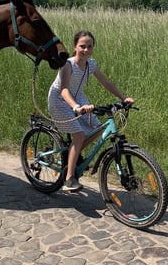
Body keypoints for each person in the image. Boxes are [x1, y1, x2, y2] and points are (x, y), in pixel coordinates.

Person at [47, 30, 134, 192]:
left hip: (78, 97)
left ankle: (74, 152)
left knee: (98, 128)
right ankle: (69, 178)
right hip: (59, 100)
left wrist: (123, 98)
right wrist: (76, 107)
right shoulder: (68, 65)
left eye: (89, 46)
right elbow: (64, 90)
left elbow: (106, 83)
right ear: (75, 46)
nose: (86, 50)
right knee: (79, 135)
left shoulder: (91, 65)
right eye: (82, 46)